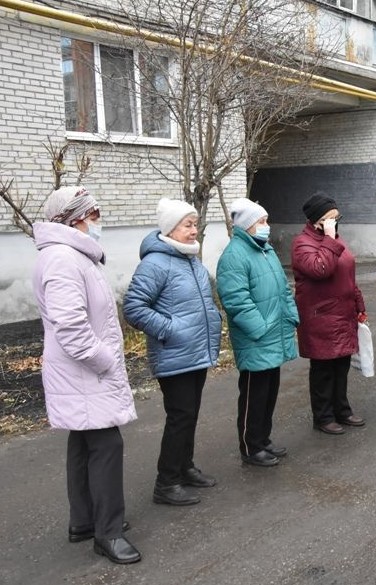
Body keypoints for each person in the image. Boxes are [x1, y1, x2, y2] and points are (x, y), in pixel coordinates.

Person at [32, 186, 140, 564]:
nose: (99, 222)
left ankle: (83, 521)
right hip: (85, 373)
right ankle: (107, 533)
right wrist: (104, 361)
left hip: (81, 374)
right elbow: (71, 326)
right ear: (75, 219)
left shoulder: (74, 256)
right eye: (94, 215)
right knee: (107, 447)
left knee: (83, 444)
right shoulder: (64, 259)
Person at [123, 199, 222, 506]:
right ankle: (166, 484)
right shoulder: (155, 263)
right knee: (179, 416)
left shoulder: (189, 259)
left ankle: (185, 467)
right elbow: (134, 308)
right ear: (170, 229)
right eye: (187, 225)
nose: (194, 231)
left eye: (195, 224)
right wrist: (170, 329)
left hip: (195, 351)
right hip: (174, 353)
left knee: (189, 414)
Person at [217, 198, 299, 467]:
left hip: (274, 333)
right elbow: (236, 300)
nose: (267, 226)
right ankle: (250, 447)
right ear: (247, 225)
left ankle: (263, 439)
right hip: (257, 338)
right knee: (254, 394)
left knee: (270, 390)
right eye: (261, 221)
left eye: (266, 220)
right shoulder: (234, 255)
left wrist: (291, 314)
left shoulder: (265, 250)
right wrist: (260, 328)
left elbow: (283, 288)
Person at [292, 193, 366, 434]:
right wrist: (329, 238)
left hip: (343, 312)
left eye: (337, 217)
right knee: (323, 369)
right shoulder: (303, 243)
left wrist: (359, 303)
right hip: (320, 316)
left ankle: (341, 410)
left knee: (341, 365)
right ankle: (323, 417)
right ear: (317, 221)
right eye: (330, 218)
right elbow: (320, 268)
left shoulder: (333, 239)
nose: (336, 222)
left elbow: (347, 272)